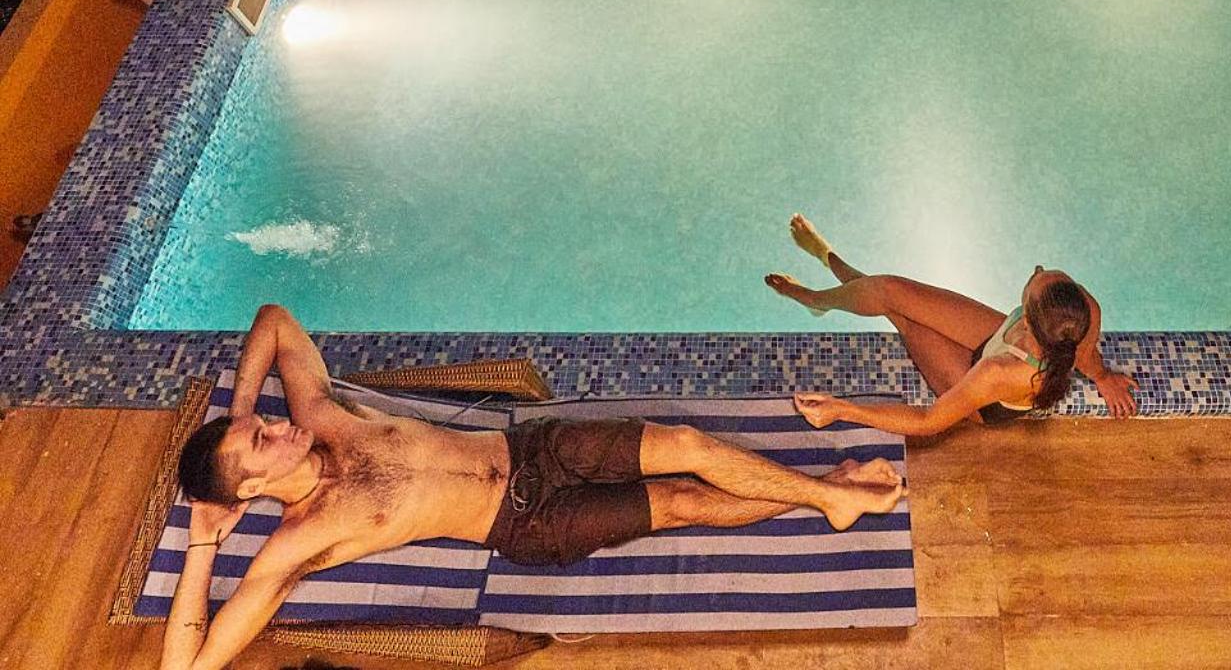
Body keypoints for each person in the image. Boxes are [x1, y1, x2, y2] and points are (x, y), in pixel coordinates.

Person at [161, 303, 903, 670]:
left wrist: (235, 413)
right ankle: (828, 489)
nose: (274, 427)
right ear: (251, 489)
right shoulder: (298, 542)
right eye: (259, 441)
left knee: (685, 445)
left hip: (534, 448)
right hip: (526, 526)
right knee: (680, 504)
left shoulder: (318, 413)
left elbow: (274, 320)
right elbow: (189, 667)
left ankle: (829, 496)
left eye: (261, 422)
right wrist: (202, 542)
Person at [766, 214, 1138, 435]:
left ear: (1027, 319)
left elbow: (929, 421)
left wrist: (842, 409)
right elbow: (1085, 355)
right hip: (1000, 339)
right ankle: (826, 264)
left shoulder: (999, 373)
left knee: (902, 315)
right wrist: (1103, 377)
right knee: (887, 289)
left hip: (985, 396)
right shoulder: (1081, 308)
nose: (1039, 269)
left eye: (1035, 276)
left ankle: (814, 299)